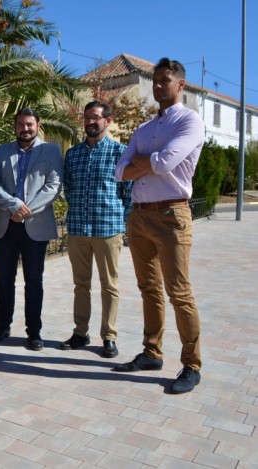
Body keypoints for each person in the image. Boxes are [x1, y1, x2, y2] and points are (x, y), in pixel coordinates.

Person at [113, 58, 205, 394]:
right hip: (139, 216)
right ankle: (152, 352)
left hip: (171, 216)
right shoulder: (144, 129)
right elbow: (119, 171)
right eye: (155, 80)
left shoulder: (190, 122)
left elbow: (166, 163)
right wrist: (146, 164)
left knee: (179, 292)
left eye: (164, 80)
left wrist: (142, 163)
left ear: (180, 85)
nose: (157, 86)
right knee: (148, 288)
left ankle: (191, 365)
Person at [58, 101, 132, 358]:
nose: (91, 121)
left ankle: (109, 336)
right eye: (87, 117)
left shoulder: (120, 153)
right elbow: (68, 187)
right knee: (81, 284)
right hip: (78, 228)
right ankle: (80, 332)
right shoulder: (73, 154)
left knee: (109, 285)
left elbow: (129, 193)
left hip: (108, 230)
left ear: (107, 121)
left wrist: (119, 221)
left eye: (96, 117)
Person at [0, 108, 63, 351]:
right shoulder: (1, 151)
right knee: (4, 280)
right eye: (20, 124)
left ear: (38, 125)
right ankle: (3, 326)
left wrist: (27, 209)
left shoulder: (51, 150)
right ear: (15, 127)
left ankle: (34, 331)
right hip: (5, 224)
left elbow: (53, 186)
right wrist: (15, 205)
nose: (25, 128)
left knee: (34, 281)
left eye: (29, 124)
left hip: (35, 225)